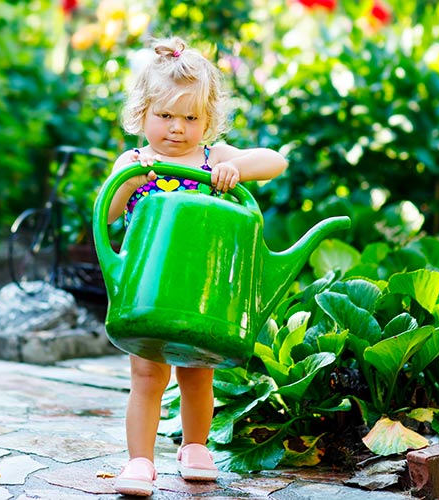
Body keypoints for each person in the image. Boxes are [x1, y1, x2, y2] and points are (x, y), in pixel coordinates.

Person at [105, 36, 288, 497]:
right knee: (146, 376)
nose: (177, 129)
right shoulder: (136, 161)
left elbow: (276, 161)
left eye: (191, 118)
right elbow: (107, 212)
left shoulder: (211, 159)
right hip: (148, 291)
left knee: (197, 373)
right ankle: (140, 461)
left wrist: (238, 170)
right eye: (165, 116)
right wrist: (130, 181)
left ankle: (195, 448)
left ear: (207, 121)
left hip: (200, 293)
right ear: (142, 114)